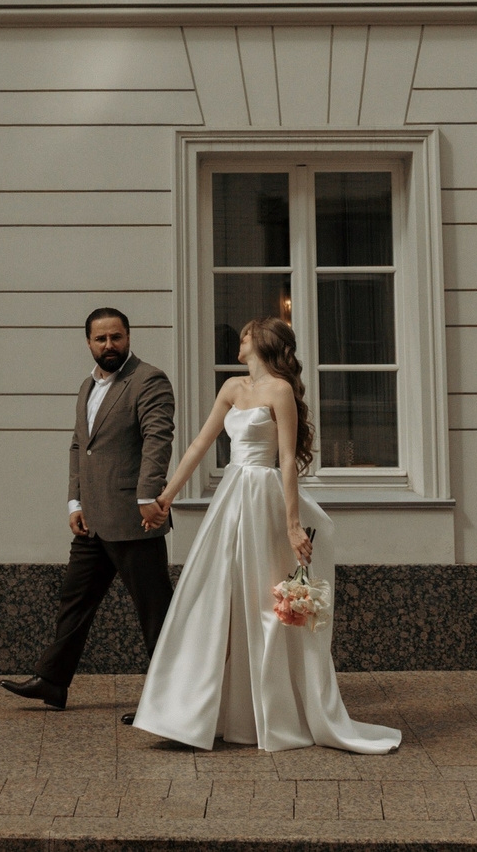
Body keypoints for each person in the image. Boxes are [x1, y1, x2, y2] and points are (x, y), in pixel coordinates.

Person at [131, 315, 400, 754]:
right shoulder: (232, 388)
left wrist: (293, 526)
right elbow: (200, 444)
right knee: (214, 598)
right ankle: (194, 713)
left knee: (261, 603)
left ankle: (267, 715)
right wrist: (165, 498)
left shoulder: (280, 391)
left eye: (246, 335)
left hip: (262, 499)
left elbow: (288, 459)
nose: (240, 339)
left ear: (264, 343)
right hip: (231, 499)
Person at [0, 307, 174, 717]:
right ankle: (53, 681)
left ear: (128, 337)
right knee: (74, 603)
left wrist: (149, 496)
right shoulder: (87, 386)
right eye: (101, 339)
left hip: (134, 518)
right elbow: (80, 445)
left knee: (156, 614)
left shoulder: (148, 379)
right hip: (93, 521)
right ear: (89, 343)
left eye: (116, 337)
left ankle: (170, 701)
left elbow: (157, 439)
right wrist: (74, 501)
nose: (109, 345)